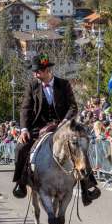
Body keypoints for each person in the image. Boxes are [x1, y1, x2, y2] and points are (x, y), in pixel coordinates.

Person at [12, 53, 101, 206]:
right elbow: (25, 108)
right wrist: (24, 129)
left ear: (47, 70)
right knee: (21, 147)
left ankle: (88, 185)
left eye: (38, 70)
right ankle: (21, 182)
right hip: (39, 127)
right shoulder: (32, 86)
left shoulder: (63, 84)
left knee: (80, 144)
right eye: (34, 71)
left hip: (63, 126)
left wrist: (65, 121)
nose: (35, 74)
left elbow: (73, 106)